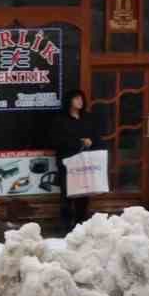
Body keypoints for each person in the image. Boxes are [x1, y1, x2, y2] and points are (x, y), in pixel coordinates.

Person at [51, 89, 99, 230]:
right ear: (69, 101)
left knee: (84, 194)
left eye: (81, 98)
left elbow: (97, 137)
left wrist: (91, 141)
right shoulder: (60, 120)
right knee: (67, 195)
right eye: (76, 98)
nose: (80, 101)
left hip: (86, 161)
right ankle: (66, 227)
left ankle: (81, 225)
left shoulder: (88, 118)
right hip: (68, 162)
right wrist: (78, 142)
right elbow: (55, 140)